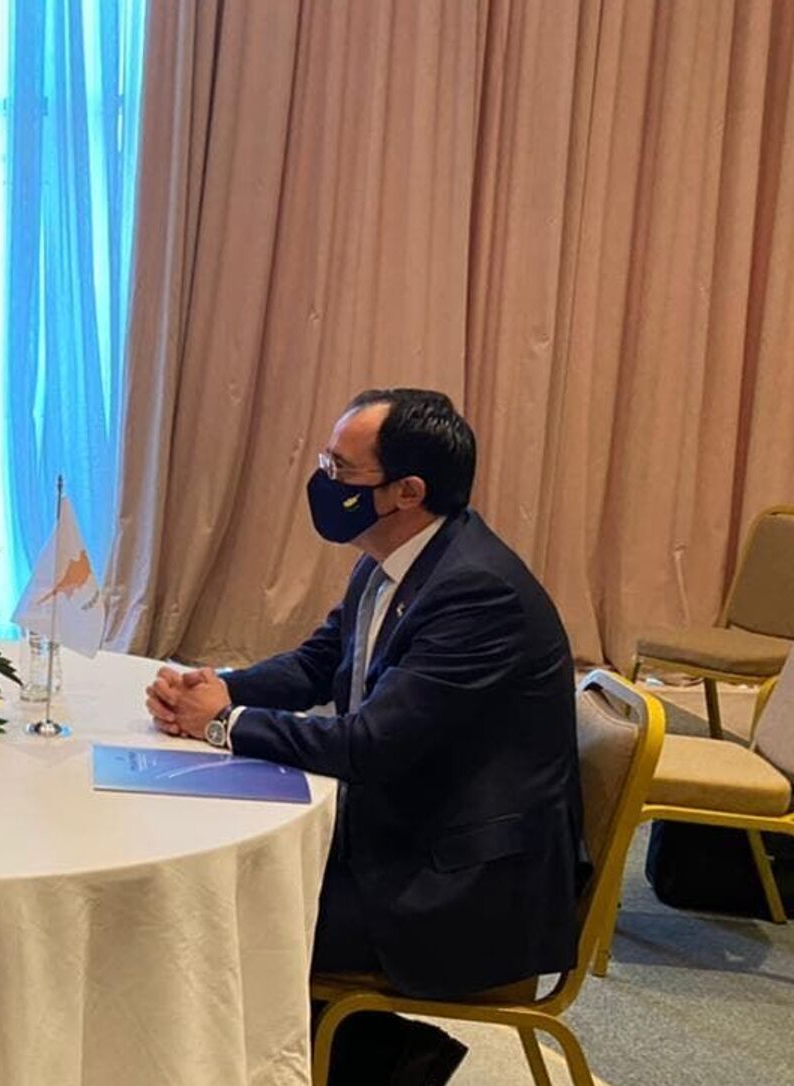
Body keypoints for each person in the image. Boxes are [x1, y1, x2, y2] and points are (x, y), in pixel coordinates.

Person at [146, 389, 584, 1086]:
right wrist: (224, 688)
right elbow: (319, 664)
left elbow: (367, 747)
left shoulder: (478, 593)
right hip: (399, 835)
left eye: (340, 469)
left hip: (460, 889)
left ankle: (379, 1058)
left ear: (406, 492)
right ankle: (374, 1056)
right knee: (214, 883)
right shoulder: (397, 558)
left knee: (214, 924)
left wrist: (224, 724)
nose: (324, 481)